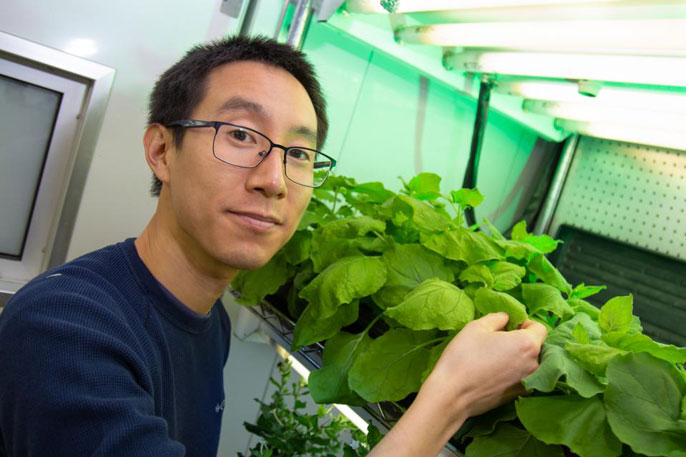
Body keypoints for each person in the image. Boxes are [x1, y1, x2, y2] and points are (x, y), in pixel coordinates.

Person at [0, 35, 546, 456]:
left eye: (299, 154)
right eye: (240, 135)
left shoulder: (209, 322)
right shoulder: (65, 327)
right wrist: (451, 397)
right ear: (162, 151)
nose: (275, 180)